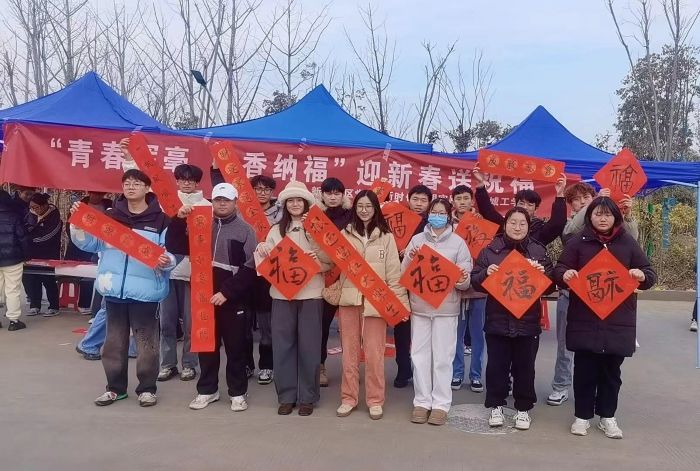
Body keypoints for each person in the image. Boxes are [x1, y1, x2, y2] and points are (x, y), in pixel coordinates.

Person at [70, 169, 176, 407]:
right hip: (114, 289)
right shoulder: (110, 216)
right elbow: (91, 244)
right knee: (113, 344)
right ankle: (115, 389)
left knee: (146, 344)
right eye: (127, 183)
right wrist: (78, 225)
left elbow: (171, 253)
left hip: (146, 293)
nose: (130, 187)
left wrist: (166, 260)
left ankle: (147, 389)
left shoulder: (161, 220)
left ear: (147, 188)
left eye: (136, 183)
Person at [555, 197, 656, 439]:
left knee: (612, 373)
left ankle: (607, 417)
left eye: (607, 214)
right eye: (598, 214)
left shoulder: (627, 242)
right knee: (584, 370)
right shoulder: (578, 242)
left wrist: (641, 274)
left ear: (615, 217)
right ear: (589, 216)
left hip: (617, 319)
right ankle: (582, 417)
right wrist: (566, 274)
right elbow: (558, 270)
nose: (603, 219)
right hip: (585, 318)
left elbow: (650, 273)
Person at [547, 183, 639, 407]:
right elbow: (569, 235)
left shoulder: (615, 230)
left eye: (586, 198)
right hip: (574, 296)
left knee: (604, 347)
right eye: (576, 200)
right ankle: (561, 386)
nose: (581, 203)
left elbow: (631, 244)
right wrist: (593, 206)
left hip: (608, 295)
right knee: (567, 345)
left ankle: (600, 397)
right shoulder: (573, 226)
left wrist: (627, 216)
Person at [471, 207, 555, 431]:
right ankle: (496, 405)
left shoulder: (538, 250)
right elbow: (474, 281)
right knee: (496, 366)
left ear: (528, 226)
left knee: (525, 367)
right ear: (505, 224)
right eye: (513, 222)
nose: (517, 227)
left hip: (528, 321)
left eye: (522, 223)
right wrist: (486, 273)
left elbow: (551, 285)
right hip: (497, 319)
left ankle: (523, 408)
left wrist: (542, 274)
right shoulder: (491, 250)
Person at [256, 181, 330, 416]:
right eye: (291, 201)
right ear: (285, 204)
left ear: (307, 203)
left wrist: (315, 261)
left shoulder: (318, 228)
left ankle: (308, 397)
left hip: (311, 294)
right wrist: (262, 250)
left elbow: (331, 261)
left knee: (310, 346)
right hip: (281, 295)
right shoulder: (276, 230)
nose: (295, 204)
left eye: (300, 200)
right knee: (283, 346)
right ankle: (286, 396)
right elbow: (264, 262)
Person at [336, 190, 409, 420]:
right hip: (349, 301)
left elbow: (394, 275)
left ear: (376, 208)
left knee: (375, 354)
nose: (364, 210)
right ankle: (348, 398)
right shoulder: (344, 234)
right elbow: (331, 262)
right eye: (360, 206)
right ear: (354, 208)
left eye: (368, 206)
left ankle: (375, 400)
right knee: (349, 353)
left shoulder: (386, 237)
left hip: (377, 302)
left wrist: (401, 305)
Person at [402, 198, 472, 425]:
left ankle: (441, 404)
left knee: (443, 357)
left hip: (446, 308)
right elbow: (404, 273)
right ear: (429, 213)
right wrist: (410, 259)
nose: (438, 216)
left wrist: (461, 278)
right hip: (420, 307)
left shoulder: (459, 243)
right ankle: (422, 402)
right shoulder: (417, 240)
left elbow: (465, 279)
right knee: (419, 356)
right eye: (434, 212)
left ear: (449, 215)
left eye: (442, 213)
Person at [189, 183, 257, 412]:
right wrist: (180, 220)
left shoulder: (246, 230)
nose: (222, 203)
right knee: (206, 345)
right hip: (202, 297)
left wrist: (227, 292)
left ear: (235, 202)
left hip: (233, 298)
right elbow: (176, 244)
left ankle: (238, 392)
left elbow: (251, 267)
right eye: (218, 199)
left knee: (236, 347)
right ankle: (207, 390)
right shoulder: (201, 225)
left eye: (226, 200)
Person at [450, 185, 487, 393]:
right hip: (455, 286)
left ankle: (476, 375)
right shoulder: (446, 224)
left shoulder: (482, 223)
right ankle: (456, 373)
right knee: (455, 334)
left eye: (466, 198)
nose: (462, 202)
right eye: (458, 198)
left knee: (478, 334)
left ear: (472, 201)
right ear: (453, 201)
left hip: (478, 288)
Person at [394, 184, 432, 389]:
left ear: (429, 204)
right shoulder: (397, 220)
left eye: (423, 200)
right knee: (401, 325)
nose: (418, 204)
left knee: (422, 329)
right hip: (399, 280)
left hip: (423, 282)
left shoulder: (433, 225)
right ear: (408, 200)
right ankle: (403, 369)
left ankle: (422, 371)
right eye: (415, 199)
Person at [472, 167, 567, 246]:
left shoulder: (540, 231)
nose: (525, 207)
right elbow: (488, 212)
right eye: (521, 203)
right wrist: (480, 185)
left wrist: (560, 195)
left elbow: (557, 224)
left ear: (536, 209)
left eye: (530, 205)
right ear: (515, 205)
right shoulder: (505, 225)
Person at [317, 177, 353, 387]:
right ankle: (320, 366)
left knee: (351, 329)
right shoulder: (315, 216)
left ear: (343, 195)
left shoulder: (352, 215)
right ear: (322, 195)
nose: (332, 197)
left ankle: (351, 369)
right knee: (321, 326)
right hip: (326, 278)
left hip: (349, 278)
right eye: (328, 193)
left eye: (336, 193)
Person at [248, 174, 283, 386]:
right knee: (243, 323)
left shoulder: (281, 214)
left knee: (266, 324)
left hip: (268, 274)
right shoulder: (241, 210)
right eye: (258, 189)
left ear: (272, 192)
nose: (262, 193)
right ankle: (246, 364)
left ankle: (267, 365)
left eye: (266, 189)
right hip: (244, 271)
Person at [64, 191, 112, 315]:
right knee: (80, 275)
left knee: (92, 277)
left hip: (101, 244)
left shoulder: (110, 207)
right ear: (89, 193)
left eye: (100, 194)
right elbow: (70, 226)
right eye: (95, 194)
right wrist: (77, 239)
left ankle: (89, 305)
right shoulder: (79, 206)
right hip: (80, 245)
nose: (97, 196)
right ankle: (78, 303)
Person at [23, 192, 62, 317]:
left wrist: (31, 239)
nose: (34, 210)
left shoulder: (55, 217)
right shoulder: (29, 215)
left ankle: (54, 306)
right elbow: (24, 229)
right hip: (31, 254)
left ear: (45, 205)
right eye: (32, 207)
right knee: (31, 279)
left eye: (36, 207)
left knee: (48, 280)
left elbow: (49, 235)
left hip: (48, 254)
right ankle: (35, 305)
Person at [0, 189, 28, 331]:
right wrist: (26, 255)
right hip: (13, 259)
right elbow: (22, 238)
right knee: (12, 290)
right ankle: (13, 321)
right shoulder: (14, 217)